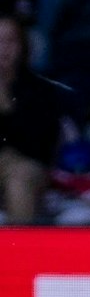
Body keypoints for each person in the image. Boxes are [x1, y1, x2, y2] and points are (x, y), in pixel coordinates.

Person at [0, 14, 62, 224]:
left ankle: (19, 254)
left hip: (26, 165)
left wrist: (6, 107)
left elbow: (40, 146)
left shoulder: (40, 89)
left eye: (9, 41)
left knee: (19, 178)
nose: (3, 49)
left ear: (22, 45)